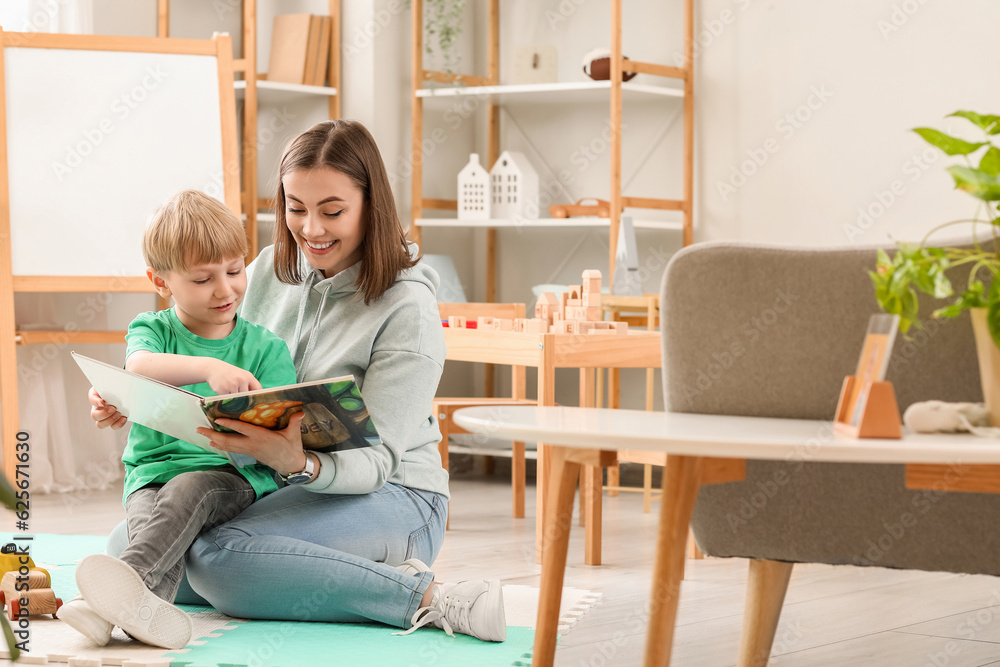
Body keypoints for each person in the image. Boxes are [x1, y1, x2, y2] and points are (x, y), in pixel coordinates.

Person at [89, 120, 507, 643]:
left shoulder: (407, 308)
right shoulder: (263, 271)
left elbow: (380, 462)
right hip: (276, 484)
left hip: (396, 494)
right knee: (125, 545)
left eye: (332, 211)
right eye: (295, 208)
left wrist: (299, 462)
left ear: (370, 205)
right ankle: (308, 568)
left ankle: (431, 598)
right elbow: (207, 366)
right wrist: (138, 400)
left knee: (220, 563)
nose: (311, 229)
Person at [62, 190, 298, 649]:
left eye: (234, 271)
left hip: (230, 475)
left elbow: (280, 422)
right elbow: (139, 368)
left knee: (188, 490)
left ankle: (100, 605)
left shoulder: (266, 348)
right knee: (153, 527)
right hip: (151, 474)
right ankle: (131, 615)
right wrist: (208, 370)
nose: (225, 289)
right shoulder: (152, 329)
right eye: (203, 279)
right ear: (161, 280)